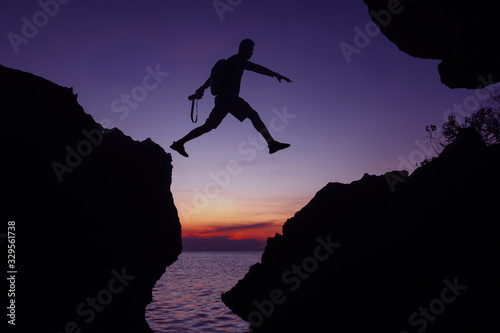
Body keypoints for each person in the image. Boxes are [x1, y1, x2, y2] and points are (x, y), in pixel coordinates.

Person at [170, 38, 292, 158]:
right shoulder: (238, 60)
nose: (252, 53)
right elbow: (257, 68)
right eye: (250, 50)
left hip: (223, 100)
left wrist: (201, 90)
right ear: (244, 49)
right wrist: (275, 74)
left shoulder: (230, 61)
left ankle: (180, 143)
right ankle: (272, 144)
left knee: (208, 127)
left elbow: (210, 79)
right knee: (253, 115)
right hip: (229, 99)